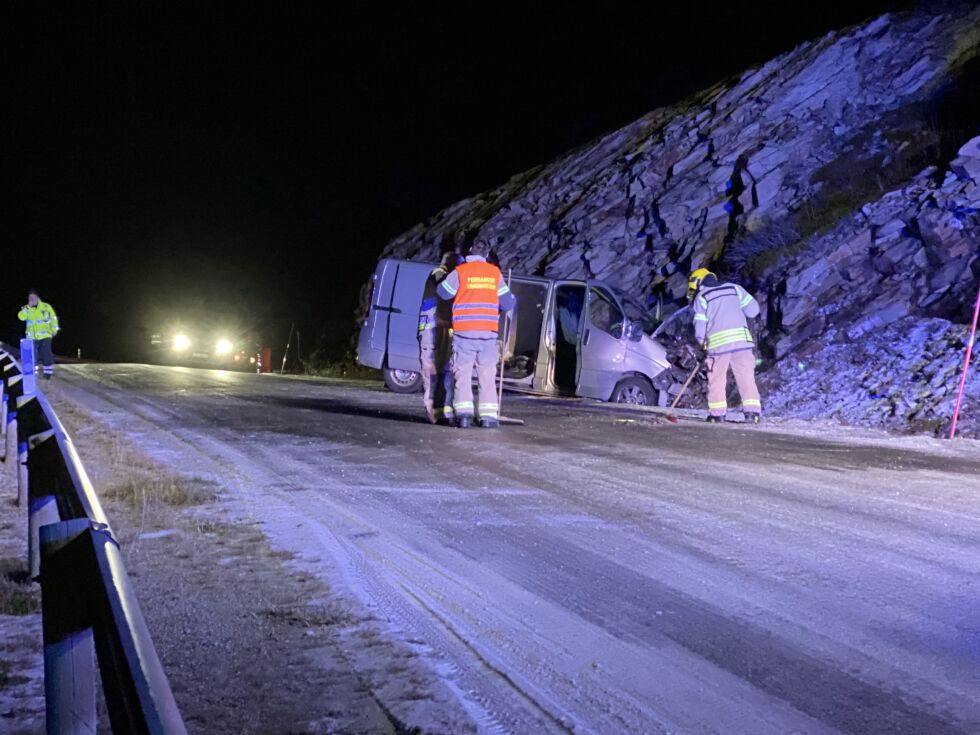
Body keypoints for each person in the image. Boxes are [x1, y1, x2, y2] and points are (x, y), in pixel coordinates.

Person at [438, 239, 517, 428]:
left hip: (464, 334)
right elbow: (508, 304)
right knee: (487, 376)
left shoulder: (461, 272)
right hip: (487, 335)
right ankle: (488, 417)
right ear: (487, 254)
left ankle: (464, 416)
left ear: (470, 252)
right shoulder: (494, 274)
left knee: (462, 375)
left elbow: (443, 293)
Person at [688, 268, 762, 423]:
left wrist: (703, 345)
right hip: (742, 342)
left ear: (697, 283)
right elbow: (753, 311)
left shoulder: (702, 297)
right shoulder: (735, 288)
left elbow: (700, 328)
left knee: (717, 380)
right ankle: (753, 414)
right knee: (747, 378)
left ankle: (717, 414)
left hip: (718, 347)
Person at [418, 251, 458, 424]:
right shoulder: (439, 273)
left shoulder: (441, 275)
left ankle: (439, 412)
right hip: (430, 335)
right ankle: (431, 411)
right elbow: (445, 292)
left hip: (435, 334)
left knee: (439, 372)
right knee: (431, 372)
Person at [18, 288, 60, 380]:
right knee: (32, 355)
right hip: (32, 337)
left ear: (37, 297)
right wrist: (27, 308)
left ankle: (47, 373)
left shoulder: (46, 307)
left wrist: (54, 329)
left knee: (46, 354)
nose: (31, 299)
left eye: (33, 297)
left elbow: (53, 318)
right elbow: (21, 317)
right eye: (29, 297)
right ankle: (33, 373)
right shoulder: (26, 308)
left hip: (45, 335)